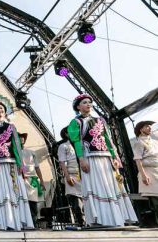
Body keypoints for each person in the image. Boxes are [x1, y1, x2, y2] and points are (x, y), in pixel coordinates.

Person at [67, 94, 138, 227]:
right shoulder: (76, 122)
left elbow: (108, 139)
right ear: (78, 107)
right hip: (90, 158)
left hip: (106, 158)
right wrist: (81, 159)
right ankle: (100, 219)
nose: (88, 104)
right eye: (84, 102)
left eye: (89, 102)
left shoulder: (100, 120)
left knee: (110, 186)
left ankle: (116, 218)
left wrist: (114, 157)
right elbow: (76, 142)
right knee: (96, 187)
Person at [0, 101, 34, 231]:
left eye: (1, 108)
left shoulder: (11, 127)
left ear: (5, 112)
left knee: (13, 191)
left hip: (11, 164)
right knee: (0, 192)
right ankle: (1, 222)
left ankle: (17, 221)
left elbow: (16, 146)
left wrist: (20, 163)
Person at [132, 120, 158, 226]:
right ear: (141, 129)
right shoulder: (139, 142)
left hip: (157, 170)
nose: (150, 128)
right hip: (148, 172)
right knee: (156, 200)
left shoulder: (155, 141)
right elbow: (138, 160)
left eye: (150, 126)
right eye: (147, 126)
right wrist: (143, 175)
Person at [57, 127, 84, 226]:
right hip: (72, 175)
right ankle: (81, 222)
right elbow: (62, 162)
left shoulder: (80, 144)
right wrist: (67, 177)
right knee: (76, 202)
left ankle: (90, 222)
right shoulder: (63, 146)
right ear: (66, 134)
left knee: (86, 200)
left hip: (83, 175)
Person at [18, 132, 46, 225]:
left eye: (23, 137)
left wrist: (42, 181)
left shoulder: (31, 152)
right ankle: (23, 223)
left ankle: (33, 223)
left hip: (32, 180)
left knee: (33, 202)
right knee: (22, 202)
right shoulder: (13, 153)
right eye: (19, 137)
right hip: (20, 179)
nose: (22, 138)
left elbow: (37, 167)